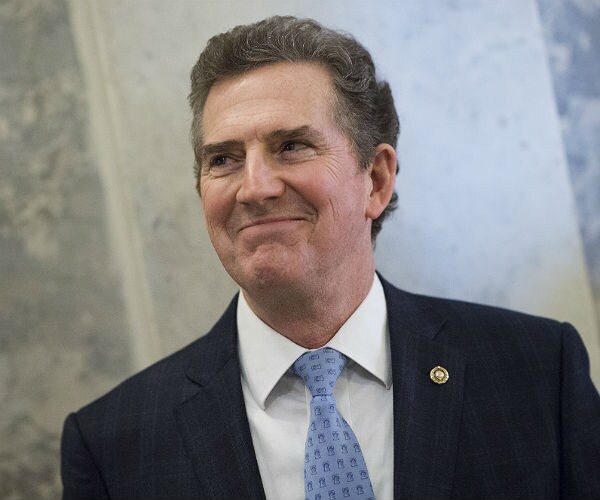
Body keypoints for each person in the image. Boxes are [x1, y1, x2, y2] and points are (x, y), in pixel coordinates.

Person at [61, 16, 600, 500]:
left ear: (376, 180)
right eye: (223, 159)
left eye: (291, 146)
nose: (255, 187)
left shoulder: (536, 371)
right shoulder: (113, 446)